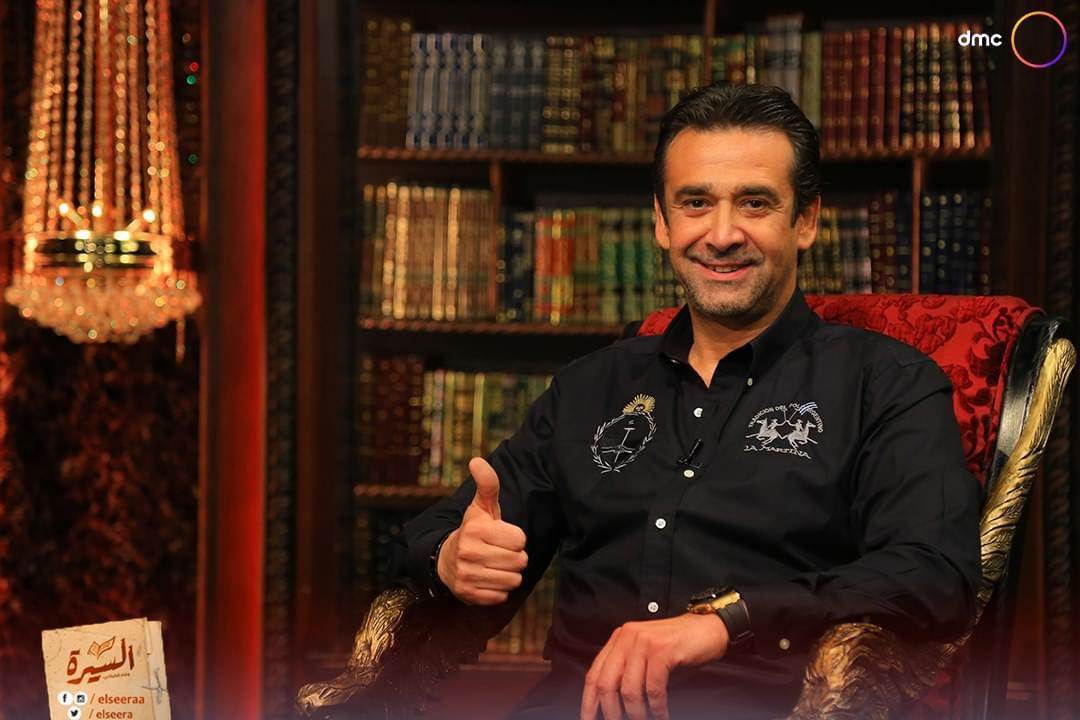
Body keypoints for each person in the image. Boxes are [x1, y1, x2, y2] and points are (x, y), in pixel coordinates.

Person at [388, 83, 981, 720]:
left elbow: (933, 573)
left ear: (805, 221)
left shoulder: (886, 383)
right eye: (695, 203)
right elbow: (428, 536)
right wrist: (453, 557)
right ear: (662, 222)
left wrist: (729, 620)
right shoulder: (592, 385)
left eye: (754, 203)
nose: (721, 235)